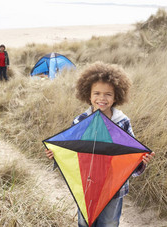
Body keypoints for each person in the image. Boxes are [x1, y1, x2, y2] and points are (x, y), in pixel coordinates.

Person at [44, 61, 155, 227]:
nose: (101, 98)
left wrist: (140, 160)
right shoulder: (80, 121)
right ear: (88, 95)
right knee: (85, 221)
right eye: (96, 93)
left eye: (108, 94)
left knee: (109, 222)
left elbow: (131, 153)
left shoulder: (122, 122)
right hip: (86, 182)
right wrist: (56, 155)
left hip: (113, 186)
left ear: (116, 96)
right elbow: (71, 150)